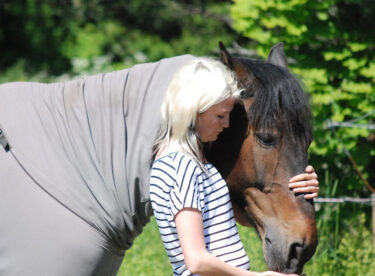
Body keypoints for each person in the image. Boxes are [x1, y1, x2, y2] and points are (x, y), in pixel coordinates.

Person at [149, 58, 319, 276]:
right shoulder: (181, 166)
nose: (227, 124)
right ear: (193, 110)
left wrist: (298, 187)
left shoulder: (197, 161)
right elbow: (196, 261)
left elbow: (220, 220)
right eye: (220, 115)